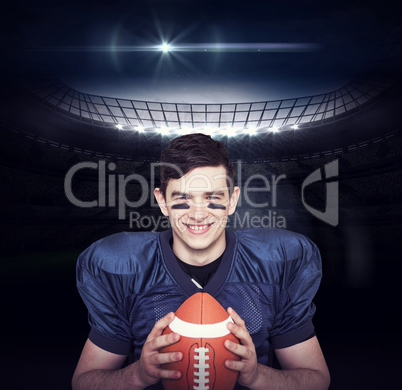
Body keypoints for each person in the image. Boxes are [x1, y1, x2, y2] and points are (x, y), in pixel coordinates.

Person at [72, 133, 330, 390]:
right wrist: (137, 375)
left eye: (213, 198)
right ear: (162, 201)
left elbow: (316, 379)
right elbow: (83, 382)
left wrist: (258, 376)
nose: (198, 214)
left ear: (232, 200)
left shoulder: (278, 262)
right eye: (183, 199)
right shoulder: (122, 268)